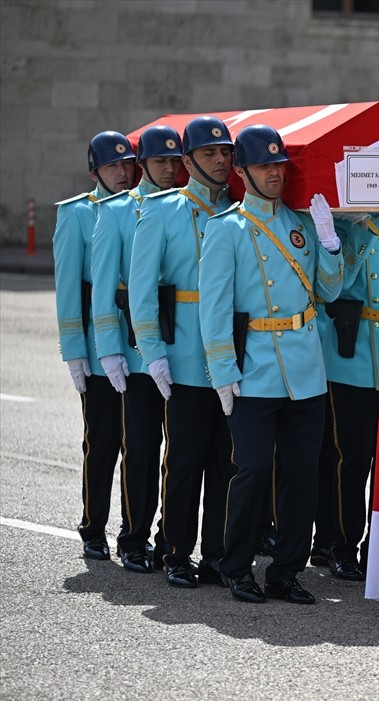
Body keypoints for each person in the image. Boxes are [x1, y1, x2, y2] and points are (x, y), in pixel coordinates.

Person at [198, 124, 344, 604]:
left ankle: (285, 571)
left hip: (304, 368)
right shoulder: (227, 229)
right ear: (242, 172)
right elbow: (214, 309)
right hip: (255, 369)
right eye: (264, 165)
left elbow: (328, 292)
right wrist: (222, 373)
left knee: (303, 474)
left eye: (279, 164)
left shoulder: (300, 224)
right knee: (254, 469)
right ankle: (236, 566)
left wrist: (330, 245)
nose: (275, 173)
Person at [128, 116, 236, 588]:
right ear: (188, 161)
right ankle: (175, 551)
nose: (220, 160)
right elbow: (141, 288)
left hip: (231, 354)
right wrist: (152, 351)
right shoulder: (162, 210)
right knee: (186, 458)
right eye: (210, 154)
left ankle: (215, 554)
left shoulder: (239, 210)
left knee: (224, 460)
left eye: (226, 153)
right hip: (184, 356)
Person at [90, 124, 183, 572]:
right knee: (141, 448)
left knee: (180, 453)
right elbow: (105, 289)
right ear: (142, 164)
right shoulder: (118, 212)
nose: (169, 168)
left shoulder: (189, 207)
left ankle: (170, 540)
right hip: (135, 351)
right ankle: (133, 537)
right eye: (160, 161)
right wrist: (108, 349)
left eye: (174, 160)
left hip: (183, 349)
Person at [53, 130, 138, 561]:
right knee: (102, 440)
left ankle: (132, 531)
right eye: (113, 166)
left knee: (137, 445)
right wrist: (74, 351)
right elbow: (69, 289)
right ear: (95, 172)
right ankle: (92, 526)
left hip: (140, 344)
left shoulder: (142, 208)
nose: (123, 173)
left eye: (127, 165)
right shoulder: (77, 215)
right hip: (97, 348)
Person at [312, 212, 379, 580]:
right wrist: (358, 229)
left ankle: (376, 548)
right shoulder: (339, 223)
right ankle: (339, 545)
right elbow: (332, 286)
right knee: (350, 457)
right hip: (348, 355)